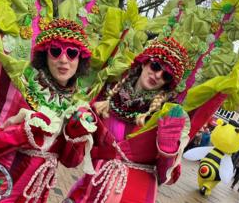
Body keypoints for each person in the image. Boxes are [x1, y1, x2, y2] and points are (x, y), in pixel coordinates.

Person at [0, 19, 97, 202]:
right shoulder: (21, 90)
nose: (63, 60)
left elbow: (69, 161)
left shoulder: (77, 105)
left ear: (80, 59)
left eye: (72, 53)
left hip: (33, 194)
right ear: (45, 55)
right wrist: (26, 131)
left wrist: (77, 133)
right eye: (56, 51)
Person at [65, 38, 191, 203]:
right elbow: (78, 153)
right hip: (93, 187)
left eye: (166, 75)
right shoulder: (108, 98)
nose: (158, 75)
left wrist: (168, 150)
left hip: (135, 194)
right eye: (155, 66)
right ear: (144, 63)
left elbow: (165, 177)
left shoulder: (166, 115)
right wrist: (78, 125)